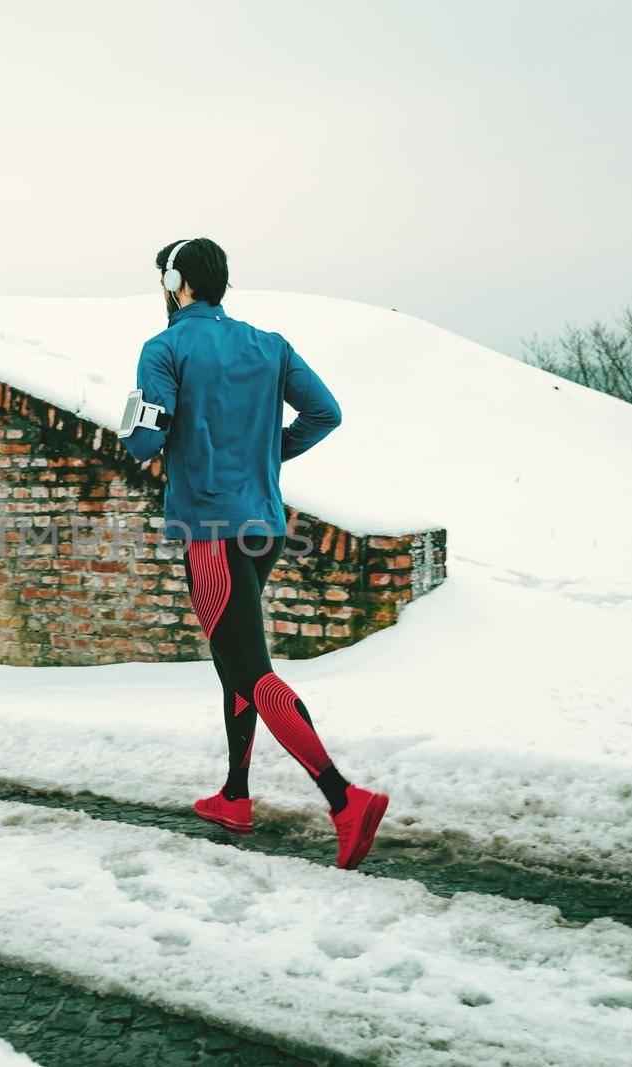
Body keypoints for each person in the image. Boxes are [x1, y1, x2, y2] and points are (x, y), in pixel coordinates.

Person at [118, 237, 389, 871]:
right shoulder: (270, 345)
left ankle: (344, 799)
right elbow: (326, 413)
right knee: (234, 658)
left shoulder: (164, 349)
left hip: (210, 526)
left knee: (248, 667)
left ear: (176, 282)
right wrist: (268, 456)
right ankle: (235, 796)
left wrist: (138, 431)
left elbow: (144, 442)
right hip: (264, 521)